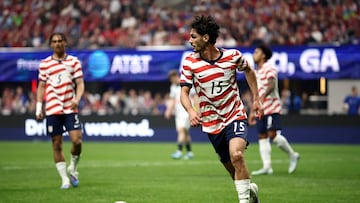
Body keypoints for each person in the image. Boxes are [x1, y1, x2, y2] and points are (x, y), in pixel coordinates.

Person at [180, 15, 263, 203]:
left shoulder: (232, 56)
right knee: (234, 170)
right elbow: (184, 93)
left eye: (193, 37)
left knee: (237, 154)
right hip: (211, 123)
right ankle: (250, 192)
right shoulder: (190, 63)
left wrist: (256, 99)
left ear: (206, 38)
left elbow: (249, 71)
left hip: (234, 114)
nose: (189, 40)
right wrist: (192, 111)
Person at [36, 32, 84, 189]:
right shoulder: (44, 64)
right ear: (51, 45)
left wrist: (77, 99)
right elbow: (41, 86)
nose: (57, 44)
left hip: (70, 107)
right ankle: (64, 179)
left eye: (60, 41)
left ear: (65, 43)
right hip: (52, 109)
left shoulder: (74, 62)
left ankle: (73, 168)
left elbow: (80, 83)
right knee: (57, 144)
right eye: (54, 41)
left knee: (77, 141)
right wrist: (38, 107)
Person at [249, 44, 300, 176]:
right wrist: (252, 111)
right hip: (260, 109)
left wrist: (261, 99)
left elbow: (271, 85)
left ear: (263, 55)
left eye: (257, 52)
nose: (254, 54)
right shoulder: (256, 71)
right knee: (262, 136)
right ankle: (267, 167)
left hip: (272, 107)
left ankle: (292, 155)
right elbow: (256, 92)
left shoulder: (269, 68)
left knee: (273, 135)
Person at [165, 70, 196, 160]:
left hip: (187, 111)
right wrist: (168, 110)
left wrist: (196, 109)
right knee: (185, 132)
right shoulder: (173, 87)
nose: (171, 81)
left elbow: (195, 97)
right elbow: (172, 100)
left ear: (175, 76)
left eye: (172, 79)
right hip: (179, 113)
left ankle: (179, 151)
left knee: (181, 130)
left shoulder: (186, 84)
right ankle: (190, 152)